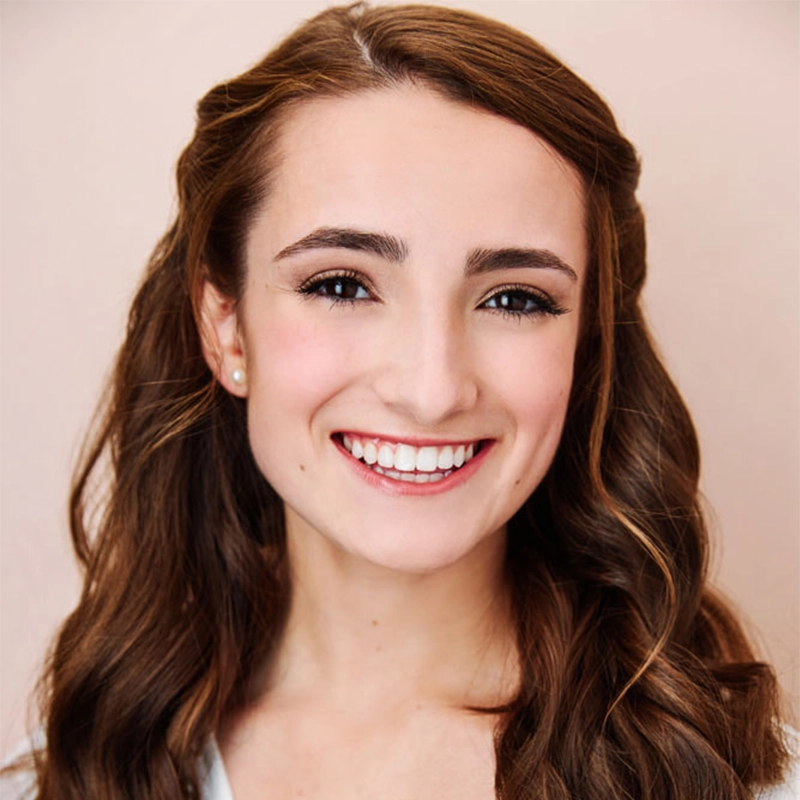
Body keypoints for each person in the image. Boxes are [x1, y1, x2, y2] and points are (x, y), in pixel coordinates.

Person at [1, 3, 796, 798]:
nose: (431, 391)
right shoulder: (68, 778)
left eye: (515, 299)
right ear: (227, 330)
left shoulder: (752, 782)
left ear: (587, 345)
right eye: (341, 285)